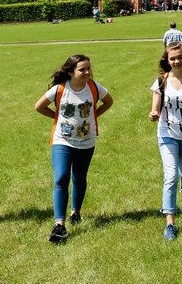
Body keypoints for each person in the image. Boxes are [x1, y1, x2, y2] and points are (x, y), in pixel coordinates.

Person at [35, 54, 114, 243]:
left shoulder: (94, 87)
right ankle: (59, 224)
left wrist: (94, 115)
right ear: (71, 72)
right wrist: (56, 117)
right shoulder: (60, 89)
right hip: (62, 140)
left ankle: (76, 212)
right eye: (82, 69)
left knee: (79, 177)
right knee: (61, 177)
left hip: (86, 141)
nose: (87, 72)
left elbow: (109, 102)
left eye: (88, 69)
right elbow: (39, 106)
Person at [149, 43, 182, 240]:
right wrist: (154, 114)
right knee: (171, 176)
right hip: (166, 134)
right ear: (167, 60)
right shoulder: (161, 81)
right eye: (172, 58)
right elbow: (155, 108)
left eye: (180, 57)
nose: (177, 61)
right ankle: (170, 222)